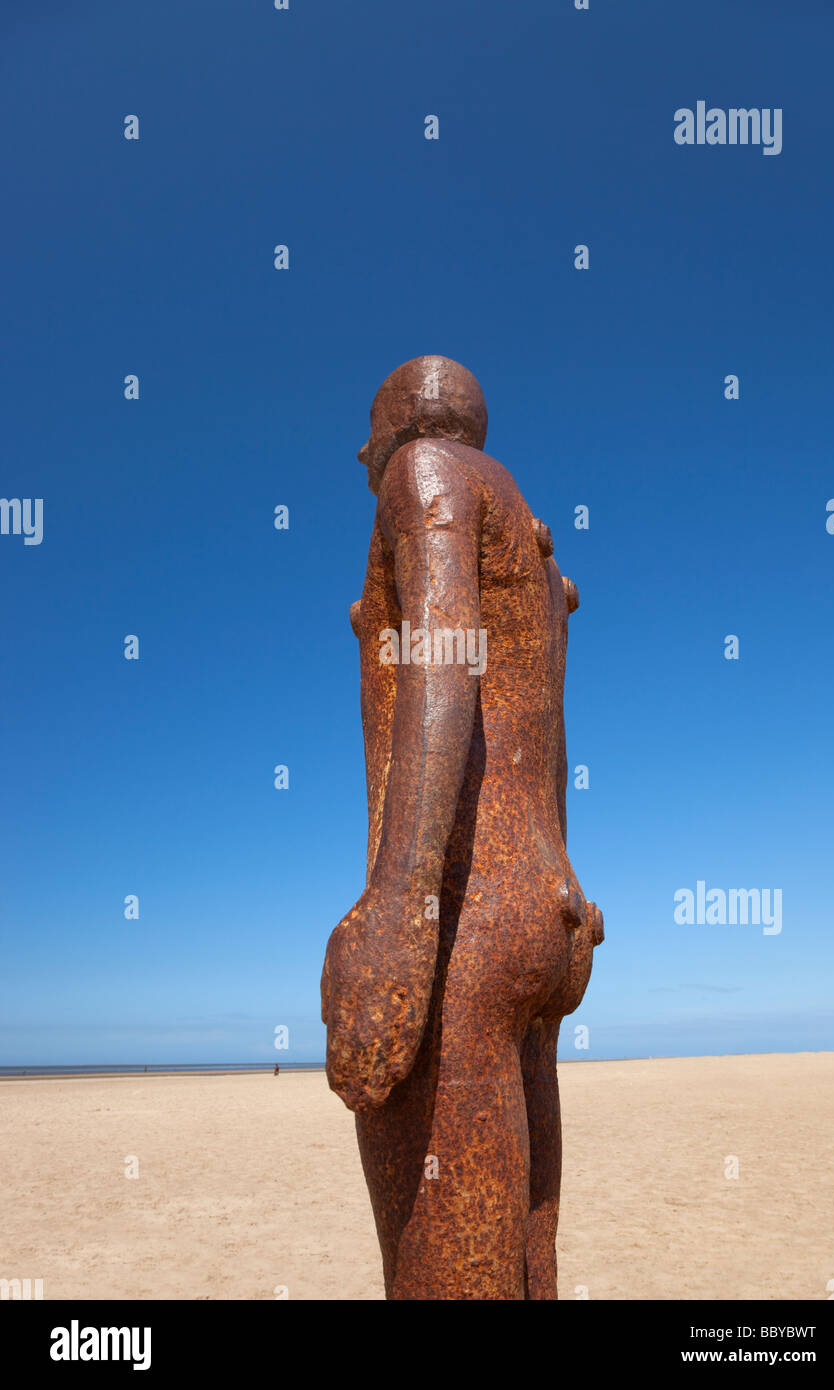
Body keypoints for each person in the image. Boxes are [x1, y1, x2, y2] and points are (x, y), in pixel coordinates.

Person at [321, 356, 603, 1299]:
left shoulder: (427, 474)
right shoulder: (532, 535)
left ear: (400, 421)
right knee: (525, 1256)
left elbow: (446, 655)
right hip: (541, 908)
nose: (364, 456)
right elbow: (544, 733)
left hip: (464, 920)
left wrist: (398, 905)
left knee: (444, 1263)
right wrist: (561, 888)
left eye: (368, 434)